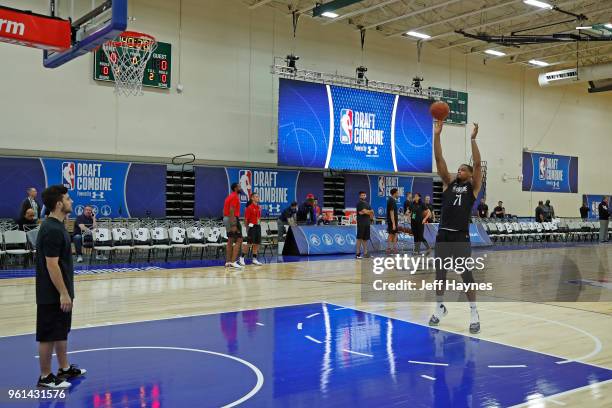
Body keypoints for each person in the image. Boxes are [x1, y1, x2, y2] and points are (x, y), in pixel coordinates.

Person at [429, 121, 483, 334]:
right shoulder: (447, 183)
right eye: (458, 169)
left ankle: (474, 312)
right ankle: (439, 307)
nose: (458, 171)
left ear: (469, 174)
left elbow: (478, 165)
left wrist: (472, 139)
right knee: (439, 274)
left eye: (462, 169)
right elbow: (439, 158)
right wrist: (437, 135)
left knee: (465, 275)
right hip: (443, 235)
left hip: (460, 236)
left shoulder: (474, 187)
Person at [36, 185, 86, 389]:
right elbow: (51, 264)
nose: (71, 201)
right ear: (59, 204)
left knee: (60, 330)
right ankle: (45, 377)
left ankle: (63, 368)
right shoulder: (51, 229)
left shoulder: (58, 226)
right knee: (48, 333)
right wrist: (63, 293)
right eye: (67, 198)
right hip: (52, 293)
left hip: (61, 291)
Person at [223, 182, 244, 269]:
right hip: (233, 219)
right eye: (239, 187)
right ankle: (233, 261)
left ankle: (228, 262)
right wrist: (233, 224)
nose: (241, 188)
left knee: (230, 240)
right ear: (235, 188)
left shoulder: (229, 196)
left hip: (226, 218)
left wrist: (227, 220)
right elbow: (232, 210)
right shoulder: (234, 196)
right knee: (239, 239)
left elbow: (224, 210)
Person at [244, 193, 263, 265]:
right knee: (249, 243)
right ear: (252, 198)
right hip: (251, 227)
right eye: (256, 196)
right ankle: (242, 258)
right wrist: (247, 228)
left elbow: (258, 218)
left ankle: (254, 259)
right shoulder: (249, 207)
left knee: (257, 243)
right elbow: (246, 219)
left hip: (258, 226)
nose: (258, 198)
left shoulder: (259, 207)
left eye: (258, 196)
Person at [356, 191, 374, 259]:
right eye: (362, 195)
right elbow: (363, 212)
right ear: (360, 196)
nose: (363, 196)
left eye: (364, 195)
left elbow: (372, 212)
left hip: (367, 223)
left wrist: (367, 212)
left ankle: (365, 253)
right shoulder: (359, 203)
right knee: (359, 238)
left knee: (365, 239)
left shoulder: (367, 204)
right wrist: (368, 212)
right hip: (361, 223)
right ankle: (358, 253)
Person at [386, 188, 400, 254]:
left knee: (395, 234)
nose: (398, 194)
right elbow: (391, 212)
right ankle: (389, 248)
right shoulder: (391, 200)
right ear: (394, 193)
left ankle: (394, 248)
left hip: (394, 221)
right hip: (392, 221)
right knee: (391, 234)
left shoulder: (393, 200)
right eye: (398, 193)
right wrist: (393, 223)